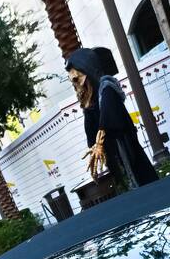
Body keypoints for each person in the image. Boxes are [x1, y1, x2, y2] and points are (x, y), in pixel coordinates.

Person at [66, 48, 159, 189]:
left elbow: (109, 119)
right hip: (114, 158)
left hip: (126, 151)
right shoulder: (91, 99)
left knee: (141, 181)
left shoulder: (106, 87)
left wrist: (99, 142)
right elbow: (91, 133)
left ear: (87, 71)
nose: (76, 84)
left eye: (78, 78)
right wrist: (86, 106)